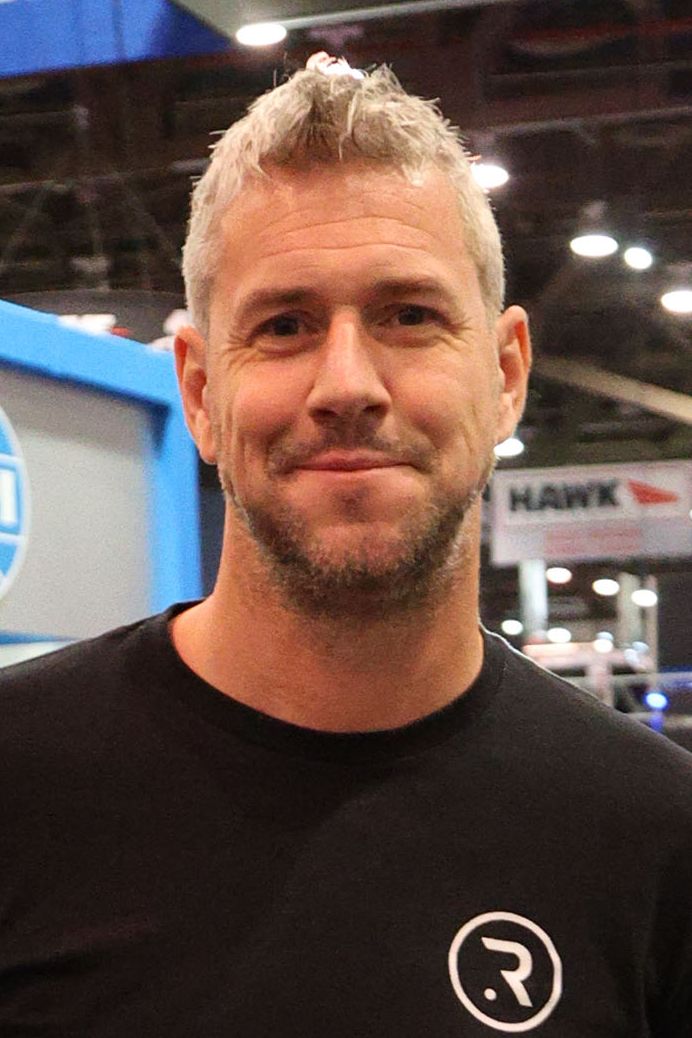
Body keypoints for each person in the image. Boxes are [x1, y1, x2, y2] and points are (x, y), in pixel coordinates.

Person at [1, 55, 690, 1037]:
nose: (346, 384)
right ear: (198, 391)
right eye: (283, 325)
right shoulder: (19, 785)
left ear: (504, 374)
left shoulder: (654, 838)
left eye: (407, 316)